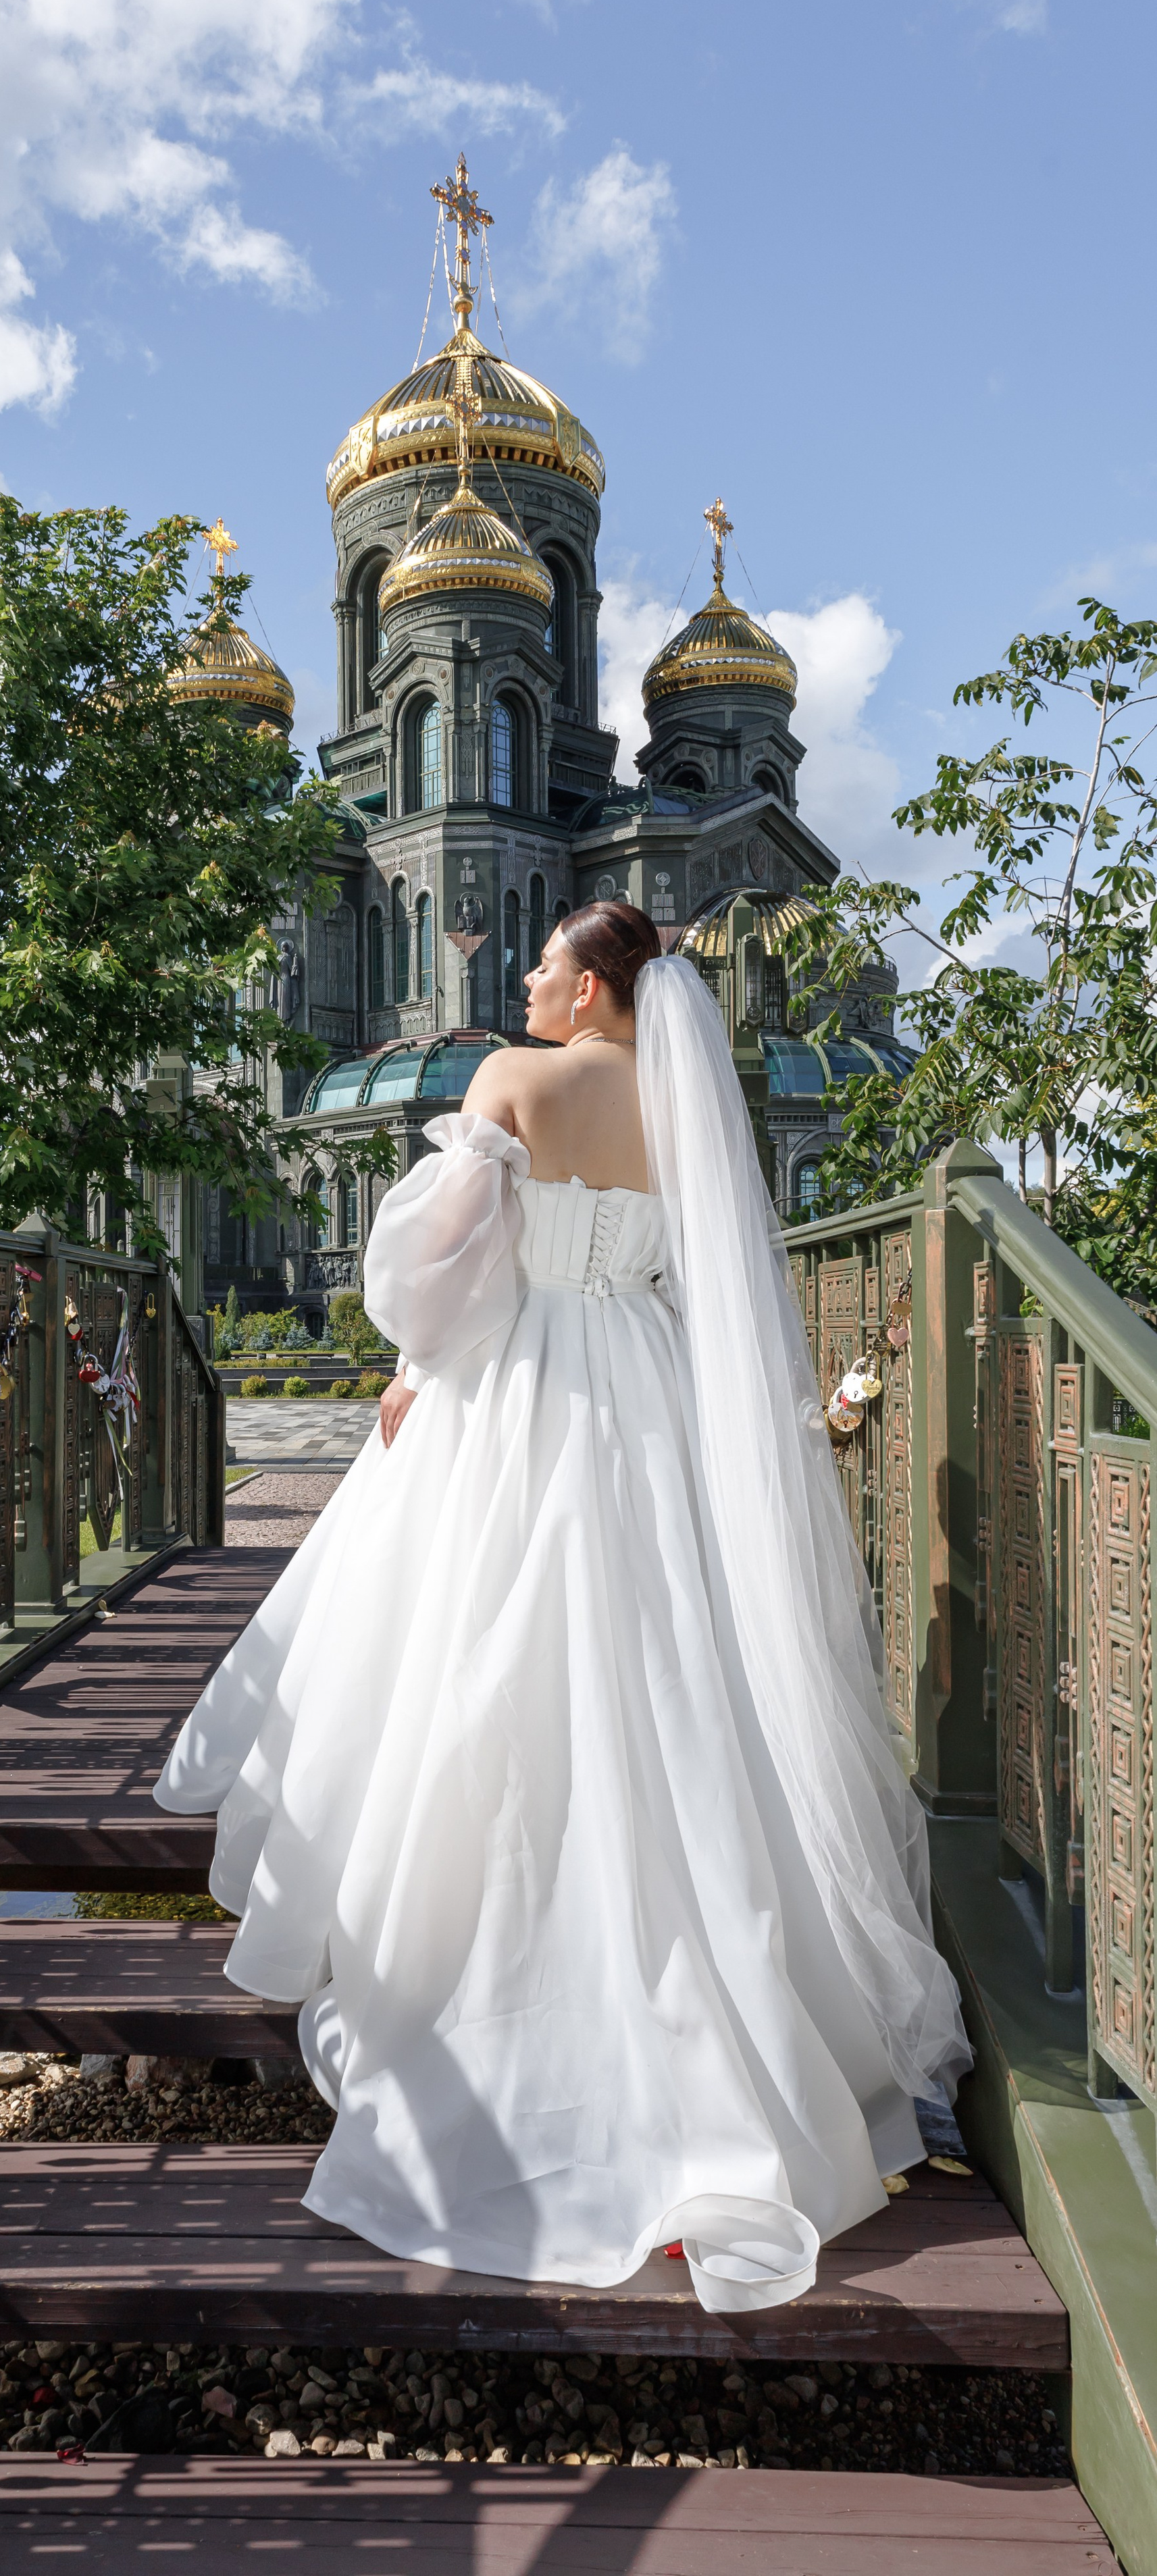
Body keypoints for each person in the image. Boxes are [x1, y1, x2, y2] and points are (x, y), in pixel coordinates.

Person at [155, 903, 969, 2314]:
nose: (523, 982)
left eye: (540, 966)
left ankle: (469, 1978)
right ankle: (738, 2023)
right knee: (667, 1671)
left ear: (589, 988)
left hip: (524, 1393)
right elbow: (696, 1283)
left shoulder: (507, 1084)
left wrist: (415, 1364)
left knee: (475, 1661)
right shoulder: (684, 1109)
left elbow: (429, 1279)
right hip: (647, 1401)